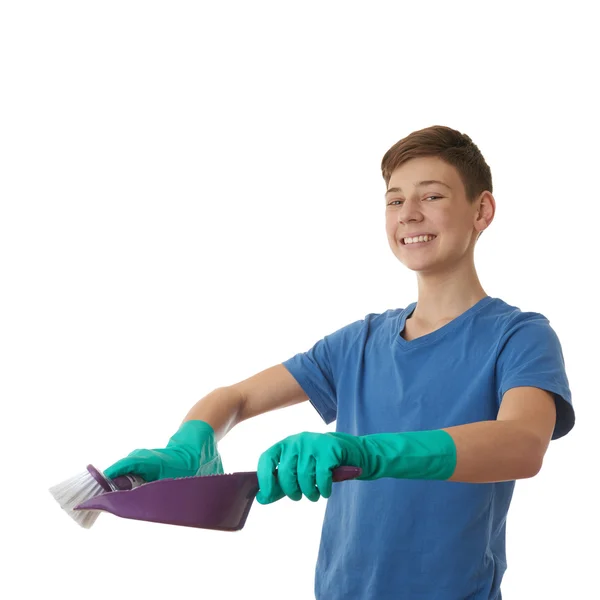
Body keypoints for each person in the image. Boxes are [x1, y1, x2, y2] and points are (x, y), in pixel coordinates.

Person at [105, 125, 575, 599]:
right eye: (394, 201)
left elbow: (522, 443)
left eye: (432, 196)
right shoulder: (360, 343)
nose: (408, 214)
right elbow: (238, 397)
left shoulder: (519, 336)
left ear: (482, 210)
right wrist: (190, 444)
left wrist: (366, 454)